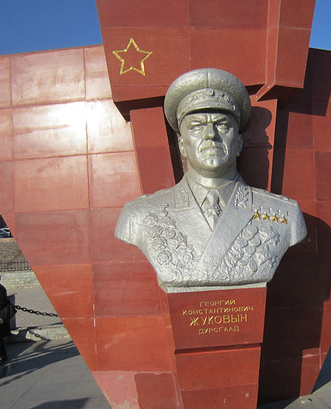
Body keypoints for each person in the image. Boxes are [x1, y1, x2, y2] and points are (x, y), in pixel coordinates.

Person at [115, 68, 307, 289]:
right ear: (181, 145)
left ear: (239, 143)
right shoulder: (139, 214)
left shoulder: (285, 214)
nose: (210, 135)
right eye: (197, 126)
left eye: (222, 125)